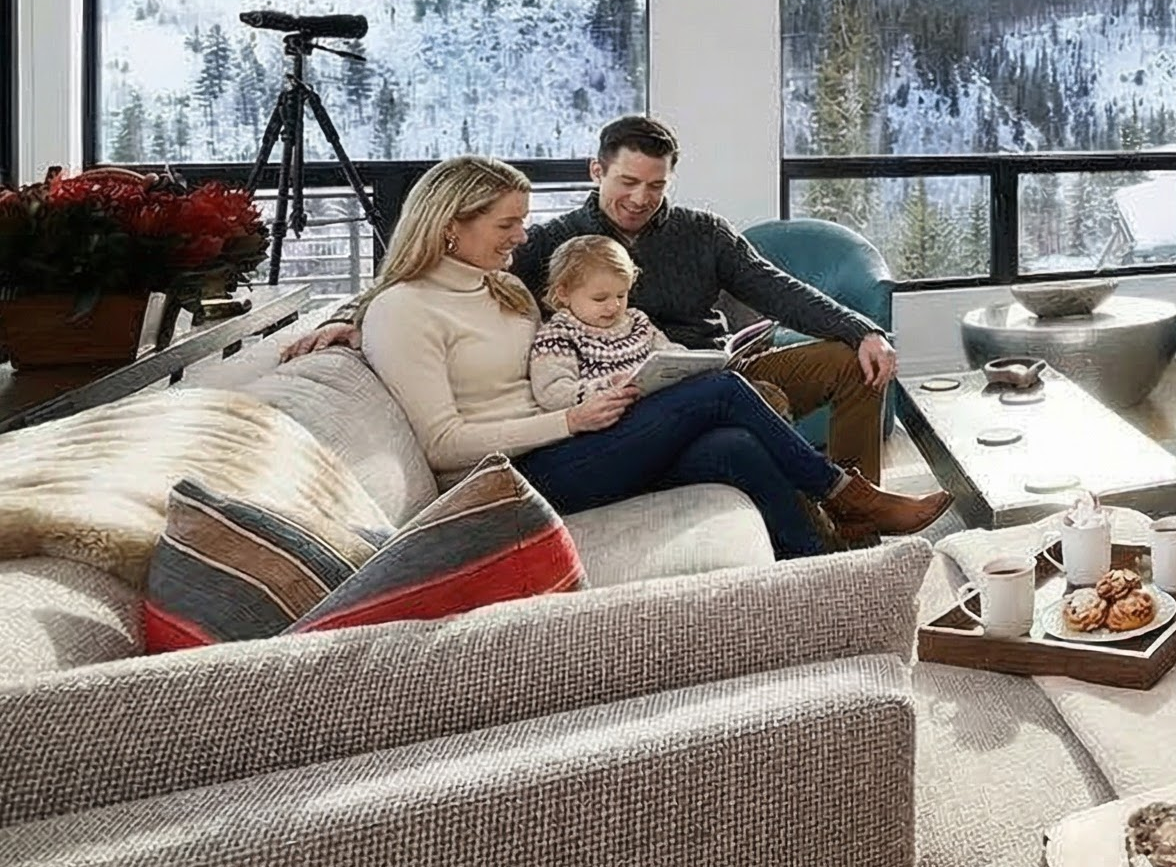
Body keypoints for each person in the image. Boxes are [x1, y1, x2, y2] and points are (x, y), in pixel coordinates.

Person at [356, 156, 949, 559]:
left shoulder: (501, 284)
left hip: (583, 438)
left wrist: (860, 328)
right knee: (722, 394)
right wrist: (569, 419)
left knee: (736, 447)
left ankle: (822, 574)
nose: (520, 236)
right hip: (518, 474)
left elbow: (775, 286)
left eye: (522, 222)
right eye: (507, 224)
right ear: (450, 226)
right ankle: (849, 496)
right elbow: (439, 443)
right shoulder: (404, 310)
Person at [291, 114, 901, 481]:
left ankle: (860, 511)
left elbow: (776, 288)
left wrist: (860, 328)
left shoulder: (702, 232)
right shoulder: (550, 244)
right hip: (622, 397)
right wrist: (353, 314)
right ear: (596, 172)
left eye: (656, 186)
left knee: (853, 364)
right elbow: (435, 271)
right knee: (754, 400)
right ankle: (821, 513)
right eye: (628, 182)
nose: (641, 197)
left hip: (718, 367)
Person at [527, 234, 678, 411]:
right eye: (600, 299)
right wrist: (607, 386)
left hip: (656, 405)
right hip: (607, 421)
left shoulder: (638, 322)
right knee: (716, 389)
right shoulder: (558, 335)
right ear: (564, 294)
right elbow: (552, 394)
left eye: (621, 295)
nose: (614, 306)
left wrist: (690, 362)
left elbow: (670, 355)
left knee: (717, 436)